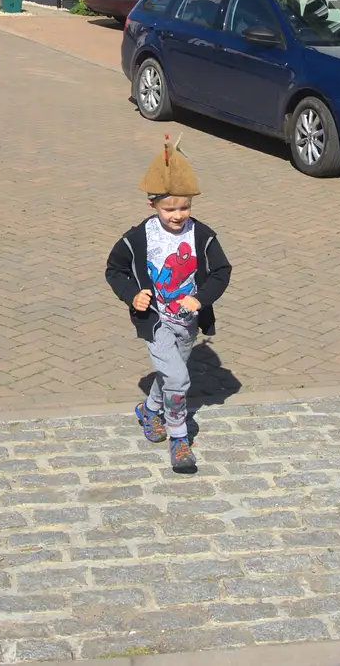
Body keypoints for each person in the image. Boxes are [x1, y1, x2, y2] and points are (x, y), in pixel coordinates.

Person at [105, 136, 232, 472]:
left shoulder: (202, 235)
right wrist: (132, 294)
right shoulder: (138, 238)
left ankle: (148, 410)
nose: (178, 215)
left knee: (171, 374)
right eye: (170, 208)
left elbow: (221, 271)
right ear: (153, 206)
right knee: (177, 379)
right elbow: (114, 269)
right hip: (156, 318)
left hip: (188, 319)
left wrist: (200, 297)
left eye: (184, 207)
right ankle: (180, 440)